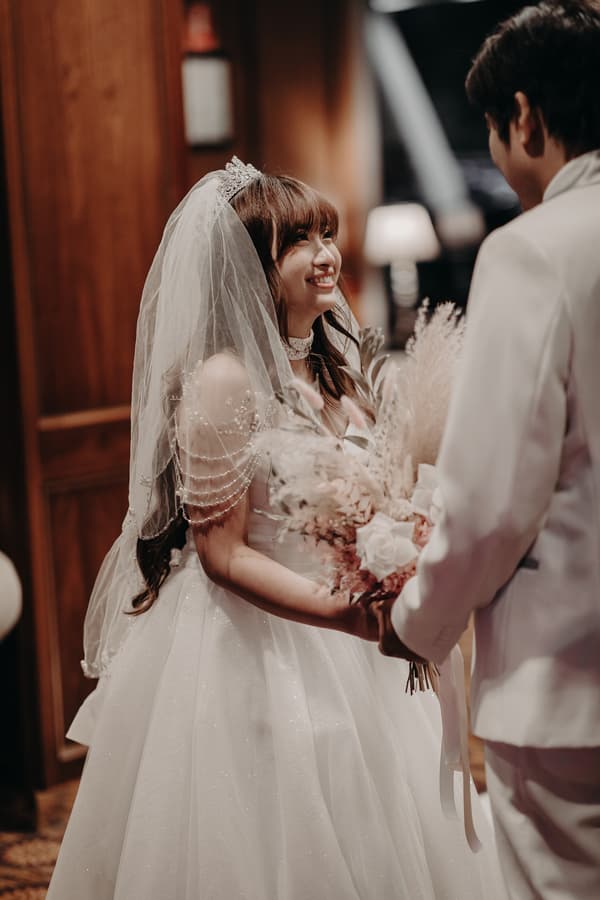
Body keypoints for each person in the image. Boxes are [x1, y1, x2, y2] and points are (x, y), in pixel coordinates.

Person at [47, 158, 505, 899]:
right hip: (254, 644)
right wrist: (342, 615)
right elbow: (220, 552)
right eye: (302, 241)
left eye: (328, 233)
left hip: (351, 636)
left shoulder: (331, 367)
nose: (327, 254)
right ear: (253, 264)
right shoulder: (226, 381)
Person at [372, 2, 600, 898]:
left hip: (569, 683)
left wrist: (419, 624)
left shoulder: (534, 251)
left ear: (526, 116)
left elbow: (495, 501)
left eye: (497, 134)